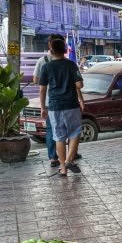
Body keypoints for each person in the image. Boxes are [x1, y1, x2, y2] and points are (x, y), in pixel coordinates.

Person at [39, 39, 85, 176]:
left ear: (51, 51)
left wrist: (43, 107)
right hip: (71, 105)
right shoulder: (71, 65)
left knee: (59, 137)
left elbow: (42, 90)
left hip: (54, 106)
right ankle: (69, 160)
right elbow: (80, 85)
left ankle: (63, 168)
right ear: (64, 49)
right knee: (75, 133)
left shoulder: (46, 67)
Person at [34, 34, 65, 166]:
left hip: (49, 102)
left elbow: (36, 81)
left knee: (52, 130)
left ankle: (53, 157)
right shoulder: (67, 62)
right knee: (66, 129)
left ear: (49, 45)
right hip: (66, 101)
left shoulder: (42, 61)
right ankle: (69, 155)